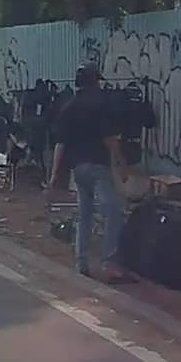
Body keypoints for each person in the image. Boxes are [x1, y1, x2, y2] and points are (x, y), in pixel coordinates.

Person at [47, 62, 132, 282]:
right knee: (113, 210)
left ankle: (81, 262)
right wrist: (121, 163)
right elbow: (108, 138)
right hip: (97, 167)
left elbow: (60, 143)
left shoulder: (69, 106)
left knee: (84, 214)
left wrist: (54, 174)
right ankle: (110, 263)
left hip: (78, 169)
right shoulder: (100, 103)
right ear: (95, 81)